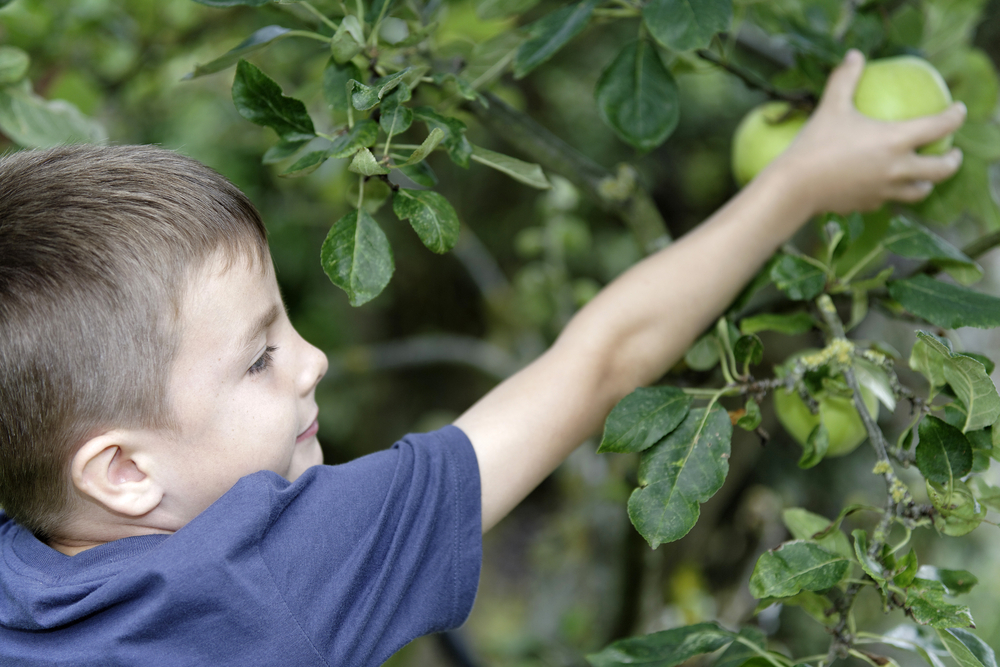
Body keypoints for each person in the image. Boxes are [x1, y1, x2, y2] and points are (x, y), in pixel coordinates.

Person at [0, 50, 965, 665]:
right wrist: (800, 180)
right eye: (258, 359)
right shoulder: (270, 573)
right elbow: (600, 362)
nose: (314, 361)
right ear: (121, 469)